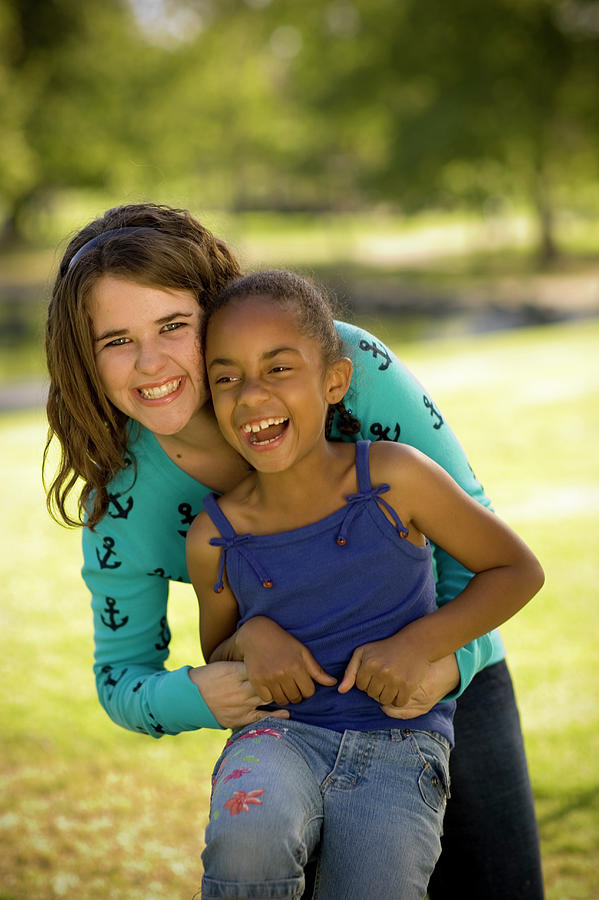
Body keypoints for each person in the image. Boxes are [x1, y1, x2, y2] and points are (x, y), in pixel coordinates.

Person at [44, 202, 546, 898]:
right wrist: (219, 679)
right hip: (297, 730)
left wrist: (444, 661)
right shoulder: (122, 501)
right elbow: (122, 678)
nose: (150, 361)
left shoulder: (338, 362)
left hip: (447, 682)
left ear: (214, 311)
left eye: (171, 326)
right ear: (84, 357)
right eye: (115, 340)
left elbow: (479, 555)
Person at [185, 269, 544, 899]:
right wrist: (255, 636)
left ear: (335, 381)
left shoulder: (395, 479)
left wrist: (420, 645)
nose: (250, 396)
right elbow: (219, 653)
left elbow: (517, 569)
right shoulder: (213, 537)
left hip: (399, 748)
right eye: (226, 378)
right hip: (280, 738)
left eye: (278, 369)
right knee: (249, 833)